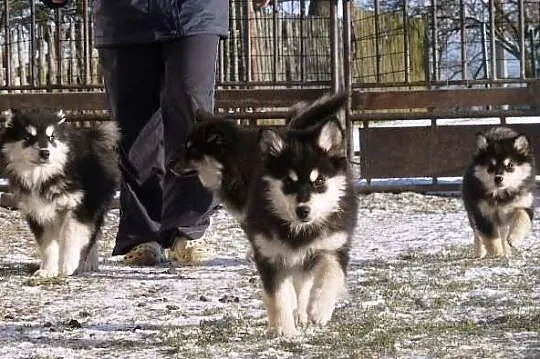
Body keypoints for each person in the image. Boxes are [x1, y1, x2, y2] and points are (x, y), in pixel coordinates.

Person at [42, 0, 231, 266]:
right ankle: (143, 233)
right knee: (133, 127)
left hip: (194, 11)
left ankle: (188, 229)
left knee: (192, 114)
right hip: (123, 16)